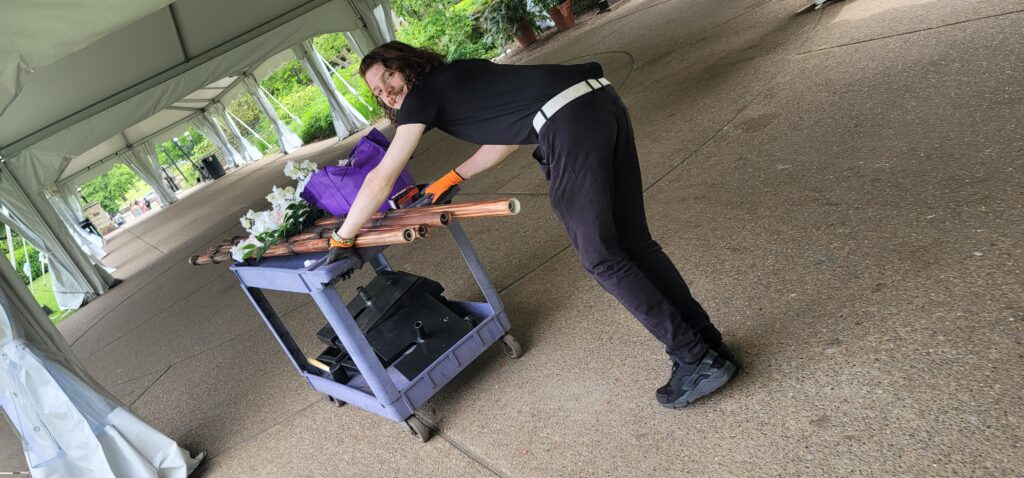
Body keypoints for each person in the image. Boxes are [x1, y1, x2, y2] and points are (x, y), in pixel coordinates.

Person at [327, 41, 736, 408]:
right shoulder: (461, 73)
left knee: (602, 258)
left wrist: (344, 237)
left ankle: (695, 358)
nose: (387, 91)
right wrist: (450, 179)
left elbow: (382, 176)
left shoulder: (421, 96)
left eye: (389, 77)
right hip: (599, 100)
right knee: (635, 243)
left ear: (408, 64)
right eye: (377, 91)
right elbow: (509, 133)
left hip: (570, 125)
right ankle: (707, 344)